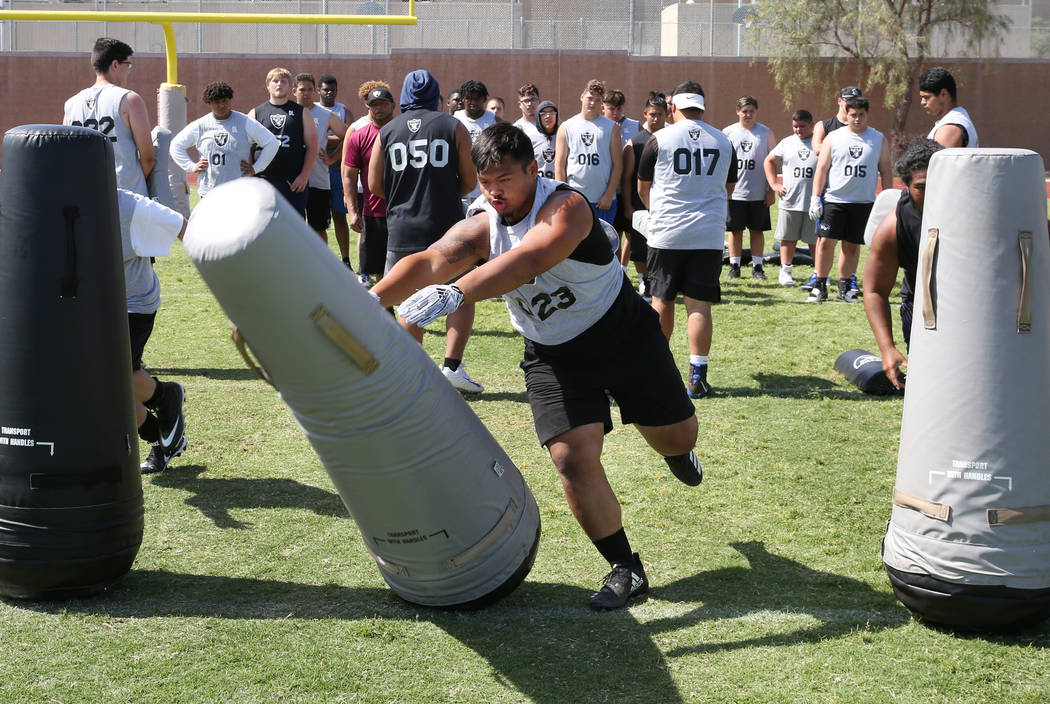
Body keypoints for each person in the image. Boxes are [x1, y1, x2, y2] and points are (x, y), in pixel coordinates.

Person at [370, 122, 702, 610]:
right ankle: (626, 568)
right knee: (570, 456)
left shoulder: (567, 207)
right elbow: (429, 260)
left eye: (505, 179)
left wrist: (456, 292)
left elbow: (529, 260)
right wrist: (368, 301)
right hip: (553, 354)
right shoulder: (483, 222)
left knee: (676, 436)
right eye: (485, 182)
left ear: (533, 168)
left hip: (624, 335)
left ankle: (678, 451)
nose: (494, 192)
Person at [367, 69, 484, 393]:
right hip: (446, 227)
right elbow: (471, 181)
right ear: (437, 96)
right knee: (462, 295)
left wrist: (405, 197)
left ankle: (412, 372)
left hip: (402, 227)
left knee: (408, 301)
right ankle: (452, 367)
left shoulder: (388, 131)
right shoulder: (452, 125)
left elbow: (374, 183)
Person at [637, 82, 736, 399]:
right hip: (707, 234)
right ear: (702, 107)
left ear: (672, 108)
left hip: (667, 233)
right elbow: (728, 188)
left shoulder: (659, 138)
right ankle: (697, 375)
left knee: (661, 301)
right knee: (699, 306)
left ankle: (657, 370)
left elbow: (643, 188)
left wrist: (663, 213)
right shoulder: (723, 140)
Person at [115, 187, 189, 474]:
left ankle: (166, 396)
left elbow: (185, 228)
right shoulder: (42, 194)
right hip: (83, 307)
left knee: (114, 380)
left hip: (132, 304)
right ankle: (159, 440)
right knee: (103, 390)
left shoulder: (129, 206)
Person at [863, 139, 943, 389]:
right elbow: (874, 290)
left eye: (940, 184)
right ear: (906, 186)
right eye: (921, 187)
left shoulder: (979, 208)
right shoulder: (892, 227)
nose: (932, 193)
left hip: (973, 301)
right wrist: (887, 348)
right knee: (928, 381)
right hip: (922, 302)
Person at [807, 96, 892, 303]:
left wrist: (888, 199)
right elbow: (822, 168)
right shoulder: (834, 137)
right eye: (853, 114)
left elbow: (886, 170)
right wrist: (815, 198)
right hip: (835, 200)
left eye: (861, 115)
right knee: (826, 242)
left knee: (852, 246)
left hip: (862, 202)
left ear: (867, 115)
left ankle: (845, 287)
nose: (857, 119)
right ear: (846, 113)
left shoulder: (878, 138)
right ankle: (820, 285)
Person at [63, 37, 155, 197]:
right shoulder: (129, 99)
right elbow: (147, 158)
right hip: (126, 194)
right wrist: (136, 182)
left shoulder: (71, 104)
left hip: (85, 193)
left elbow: (66, 153)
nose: (129, 70)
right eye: (128, 65)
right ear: (115, 65)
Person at [170, 82, 279, 199]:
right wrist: (191, 166)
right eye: (217, 102)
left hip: (238, 192)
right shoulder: (201, 125)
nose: (222, 105)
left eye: (225, 101)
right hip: (209, 192)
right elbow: (176, 145)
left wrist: (257, 168)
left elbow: (272, 142)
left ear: (230, 100)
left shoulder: (245, 122)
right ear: (210, 103)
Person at [805, 85, 863, 293]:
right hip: (829, 190)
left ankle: (849, 278)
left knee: (851, 241)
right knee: (824, 237)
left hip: (854, 192)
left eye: (855, 100)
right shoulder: (826, 125)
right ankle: (819, 277)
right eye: (847, 100)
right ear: (839, 101)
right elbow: (818, 148)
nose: (850, 104)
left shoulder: (861, 125)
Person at [248, 67, 318, 217]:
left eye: (283, 81)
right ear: (268, 85)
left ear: (290, 86)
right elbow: (248, 148)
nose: (279, 84)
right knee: (262, 226)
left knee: (294, 229)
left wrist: (304, 176)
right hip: (263, 181)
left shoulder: (302, 112)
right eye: (275, 81)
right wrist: (250, 176)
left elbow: (312, 147)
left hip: (293, 183)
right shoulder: (256, 113)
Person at [343, 85, 394, 286]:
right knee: (378, 268)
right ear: (368, 107)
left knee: (403, 263)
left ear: (393, 105)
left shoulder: (404, 132)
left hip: (403, 209)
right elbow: (348, 175)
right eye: (374, 105)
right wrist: (352, 211)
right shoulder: (359, 135)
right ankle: (386, 305)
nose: (379, 108)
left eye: (383, 104)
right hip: (374, 211)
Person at [555, 79, 623, 228]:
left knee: (603, 248)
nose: (592, 103)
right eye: (590, 98)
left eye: (597, 100)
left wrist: (608, 195)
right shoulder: (567, 127)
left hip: (602, 201)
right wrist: (563, 196)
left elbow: (618, 164)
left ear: (602, 103)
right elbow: (559, 165)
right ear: (582, 97)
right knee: (576, 247)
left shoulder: (611, 128)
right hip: (576, 200)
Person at [722, 96, 776, 281]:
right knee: (735, 231)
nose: (748, 114)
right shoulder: (728, 132)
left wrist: (771, 189)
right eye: (744, 111)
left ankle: (757, 267)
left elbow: (773, 162)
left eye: (751, 111)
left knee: (757, 230)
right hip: (734, 192)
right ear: (738, 111)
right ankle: (734, 266)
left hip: (758, 192)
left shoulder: (766, 132)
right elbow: (722, 162)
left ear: (756, 112)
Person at [621, 91, 668, 300]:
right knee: (640, 245)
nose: (655, 118)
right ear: (645, 114)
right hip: (640, 202)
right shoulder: (635, 143)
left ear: (666, 114)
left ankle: (661, 279)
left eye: (659, 114)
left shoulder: (671, 138)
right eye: (652, 114)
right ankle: (644, 279)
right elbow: (626, 178)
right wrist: (628, 206)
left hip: (666, 201)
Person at [763, 109, 818, 286]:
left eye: (802, 126)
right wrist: (774, 184)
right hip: (790, 200)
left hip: (814, 202)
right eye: (795, 126)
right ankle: (785, 272)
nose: (798, 130)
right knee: (788, 238)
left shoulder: (821, 143)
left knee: (815, 241)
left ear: (811, 125)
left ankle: (819, 274)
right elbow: (769, 161)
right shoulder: (786, 143)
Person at [293, 73, 348, 244]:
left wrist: (332, 158)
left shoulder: (326, 115)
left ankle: (320, 267)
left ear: (315, 91)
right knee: (293, 228)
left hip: (318, 180)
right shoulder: (286, 113)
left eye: (310, 89)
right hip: (292, 181)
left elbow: (349, 137)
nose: (306, 93)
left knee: (318, 228)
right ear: (294, 91)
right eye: (302, 89)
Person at [319, 74, 355, 266]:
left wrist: (327, 139)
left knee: (340, 216)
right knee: (318, 221)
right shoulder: (312, 111)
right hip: (316, 172)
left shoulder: (343, 111)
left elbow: (350, 138)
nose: (329, 93)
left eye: (333, 89)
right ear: (319, 91)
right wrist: (335, 136)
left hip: (337, 170)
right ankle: (322, 262)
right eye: (326, 89)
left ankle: (346, 261)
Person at [454, 80, 498, 208]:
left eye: (477, 98)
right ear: (463, 99)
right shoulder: (455, 119)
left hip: (487, 183)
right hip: (462, 182)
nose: (473, 102)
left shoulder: (493, 120)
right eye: (469, 98)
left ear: (484, 99)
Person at [918, 67, 979, 148]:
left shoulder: (950, 128)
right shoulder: (957, 118)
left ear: (944, 94)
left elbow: (939, 161)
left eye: (927, 97)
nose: (922, 102)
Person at [811, 86, 861, 156]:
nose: (854, 105)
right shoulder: (822, 126)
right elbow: (817, 149)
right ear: (839, 101)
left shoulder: (861, 126)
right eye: (849, 101)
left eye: (857, 102)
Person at [513, 83, 547, 157]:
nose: (529, 104)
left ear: (539, 102)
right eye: (526, 101)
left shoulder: (550, 124)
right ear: (519, 105)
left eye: (533, 100)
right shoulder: (515, 129)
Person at [533, 101, 559, 179]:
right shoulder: (532, 138)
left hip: (558, 186)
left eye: (551, 113)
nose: (548, 116)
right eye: (543, 113)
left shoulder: (563, 135)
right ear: (538, 117)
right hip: (538, 185)